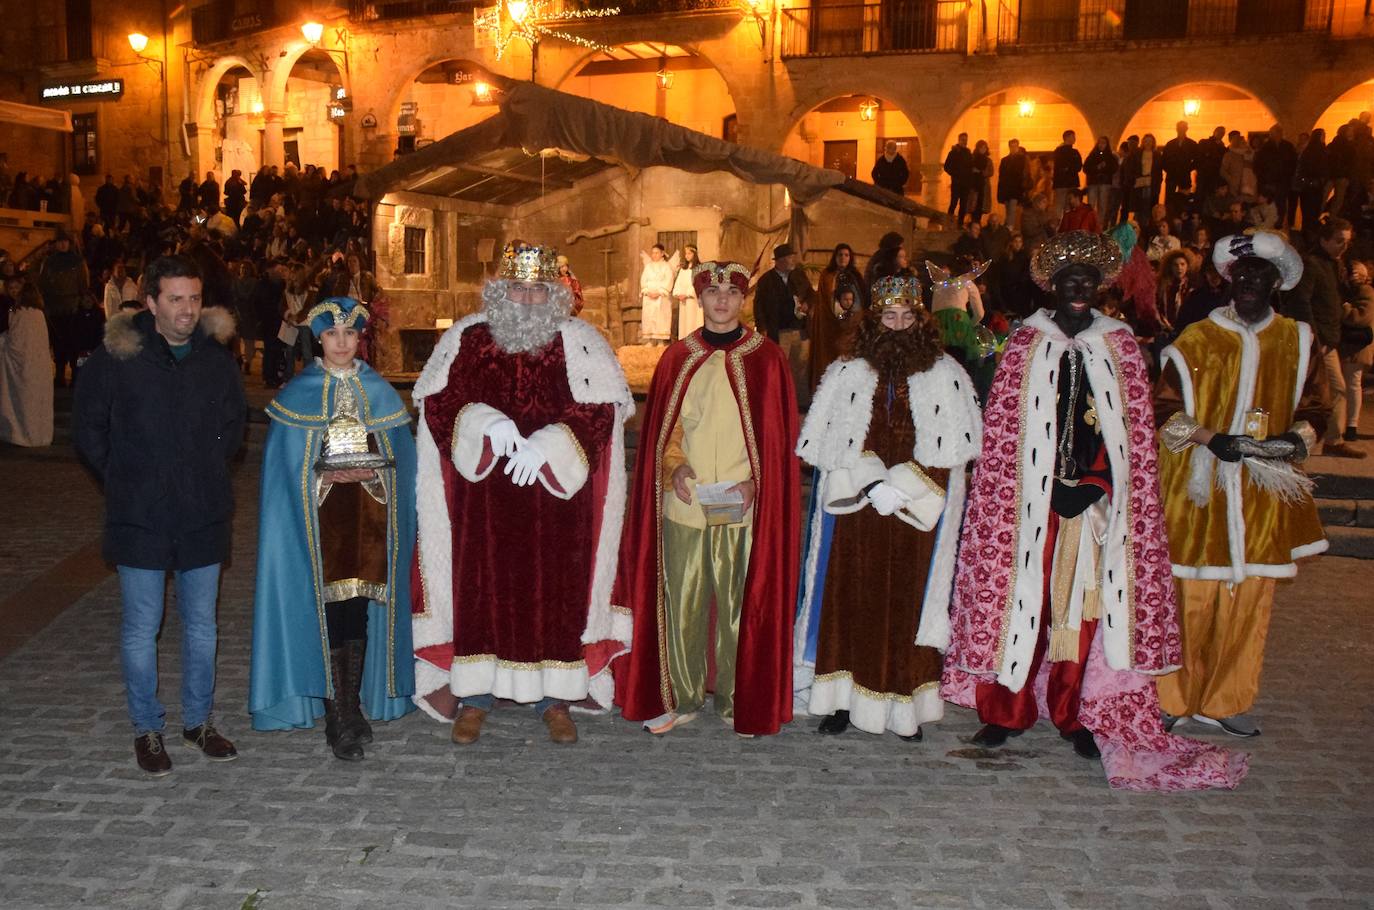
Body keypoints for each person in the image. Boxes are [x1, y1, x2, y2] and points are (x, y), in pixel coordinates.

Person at [940, 231, 1247, 790]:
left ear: (1100, 286)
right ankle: (1004, 712)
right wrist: (1031, 487)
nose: (1077, 288)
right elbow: (1006, 430)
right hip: (1026, 508)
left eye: (1087, 280)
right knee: (1018, 603)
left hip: (1093, 507)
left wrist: (1096, 483)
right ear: (1051, 286)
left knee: (1080, 617)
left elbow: (1130, 431)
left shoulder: (1121, 345)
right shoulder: (1025, 343)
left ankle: (1075, 714)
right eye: (1067, 280)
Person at [411, 242, 633, 745]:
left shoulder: (580, 342)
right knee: (481, 589)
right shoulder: (469, 340)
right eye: (519, 287)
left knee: (556, 591)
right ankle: (475, 697)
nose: (529, 299)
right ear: (500, 291)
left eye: (539, 289)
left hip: (558, 497)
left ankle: (556, 698)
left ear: (554, 294)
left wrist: (551, 445)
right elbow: (441, 402)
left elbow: (601, 412)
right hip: (485, 495)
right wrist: (485, 425)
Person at [73, 255, 246, 776]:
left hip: (202, 512)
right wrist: (123, 478)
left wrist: (208, 471)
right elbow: (88, 427)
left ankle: (199, 723)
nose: (187, 310)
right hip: (139, 515)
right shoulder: (118, 356)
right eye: (175, 299)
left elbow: (234, 426)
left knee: (202, 626)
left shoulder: (215, 358)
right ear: (150, 303)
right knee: (141, 627)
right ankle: (147, 728)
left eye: (194, 298)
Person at [615, 260, 800, 737]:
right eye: (714, 293)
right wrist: (674, 467)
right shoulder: (678, 358)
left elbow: (776, 444)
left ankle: (741, 700)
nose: (722, 301)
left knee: (742, 605)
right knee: (682, 602)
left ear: (743, 300)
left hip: (742, 503)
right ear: (700, 299)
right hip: (688, 500)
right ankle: (681, 696)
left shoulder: (769, 360)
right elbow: (664, 431)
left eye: (732, 293)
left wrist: (757, 484)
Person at [1155, 231, 1327, 737]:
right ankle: (1174, 697)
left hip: (1263, 493)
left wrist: (1291, 442)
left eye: (1261, 275)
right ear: (1229, 279)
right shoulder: (1196, 341)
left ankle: (1227, 700)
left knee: (1250, 600)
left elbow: (1316, 410)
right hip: (1198, 491)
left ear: (1277, 282)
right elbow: (1162, 411)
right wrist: (1209, 439)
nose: (1250, 282)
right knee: (1191, 596)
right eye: (1242, 274)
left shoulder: (1297, 340)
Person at [794, 275, 981, 739]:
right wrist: (872, 483)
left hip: (918, 513)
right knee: (849, 598)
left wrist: (905, 487)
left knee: (906, 603)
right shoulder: (846, 372)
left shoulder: (946, 374)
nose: (897, 327)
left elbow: (955, 452)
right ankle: (841, 701)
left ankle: (903, 706)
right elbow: (830, 444)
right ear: (873, 321)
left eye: (906, 316)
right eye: (888, 317)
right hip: (856, 509)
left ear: (921, 320)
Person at [249, 297, 416, 760]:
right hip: (316, 524)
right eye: (332, 335)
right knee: (325, 612)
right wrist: (322, 475)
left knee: (358, 607)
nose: (342, 343)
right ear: (318, 338)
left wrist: (376, 472)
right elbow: (286, 469)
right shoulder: (298, 392)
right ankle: (336, 713)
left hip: (367, 517)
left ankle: (351, 703)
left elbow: (400, 460)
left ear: (360, 339)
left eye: (350, 335)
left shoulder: (377, 389)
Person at [1287, 218, 1365, 458]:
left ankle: (1328, 439)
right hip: (1318, 341)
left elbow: (1334, 299)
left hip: (1328, 339)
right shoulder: (1312, 264)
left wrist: (1356, 282)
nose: (1343, 246)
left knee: (1319, 392)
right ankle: (1331, 440)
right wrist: (1313, 337)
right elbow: (1301, 301)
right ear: (1324, 240)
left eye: (1347, 242)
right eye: (1339, 241)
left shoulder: (1333, 264)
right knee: (1334, 390)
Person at [753, 242, 814, 403]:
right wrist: (763, 328)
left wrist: (807, 304)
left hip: (800, 330)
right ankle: (778, 401)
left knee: (801, 367)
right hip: (779, 331)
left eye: (793, 258)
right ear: (780, 261)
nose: (793, 261)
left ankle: (799, 401)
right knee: (780, 368)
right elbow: (759, 305)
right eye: (789, 258)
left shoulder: (799, 275)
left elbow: (810, 294)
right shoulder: (767, 280)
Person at [0, 276, 54, 446]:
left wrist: (3, 340)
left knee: (24, 402)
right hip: (40, 366)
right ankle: (40, 435)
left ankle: (22, 434)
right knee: (38, 402)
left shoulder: (20, 313)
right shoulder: (39, 314)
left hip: (24, 367)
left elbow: (15, 341)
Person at [809, 243, 864, 390]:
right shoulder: (827, 276)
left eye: (846, 255)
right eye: (840, 255)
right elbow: (825, 300)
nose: (843, 258)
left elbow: (859, 299)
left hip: (851, 326)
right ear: (835, 257)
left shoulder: (855, 276)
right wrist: (838, 315)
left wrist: (853, 317)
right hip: (830, 325)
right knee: (829, 360)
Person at [37, 232, 89, 387]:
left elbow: (83, 284)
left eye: (65, 241)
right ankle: (59, 373)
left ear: (69, 243)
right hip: (54, 308)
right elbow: (43, 284)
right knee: (57, 342)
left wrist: (80, 302)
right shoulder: (49, 262)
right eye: (59, 242)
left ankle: (75, 373)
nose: (62, 245)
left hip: (72, 307)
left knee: (73, 342)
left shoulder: (78, 262)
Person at [1338, 259, 1374, 441]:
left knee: (1352, 385)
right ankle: (1344, 424)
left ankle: (1351, 425)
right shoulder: (1349, 290)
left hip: (1357, 347)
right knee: (1345, 385)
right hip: (1348, 345)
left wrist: (1344, 307)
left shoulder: (1365, 291)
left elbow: (1361, 318)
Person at [1254, 125, 1298, 227]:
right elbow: (1258, 166)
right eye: (1272, 133)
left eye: (1277, 133)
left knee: (1281, 205)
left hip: (1283, 183)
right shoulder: (1265, 148)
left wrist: (1288, 177)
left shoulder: (1287, 146)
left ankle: (1278, 225)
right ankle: (1267, 226)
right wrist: (1264, 180)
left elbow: (1293, 163)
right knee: (1268, 206)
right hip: (1268, 183)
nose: (1275, 135)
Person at [638, 243, 675, 344]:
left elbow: (668, 280)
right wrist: (647, 291)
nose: (654, 255)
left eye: (656, 253)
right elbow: (643, 280)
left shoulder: (666, 267)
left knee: (661, 317)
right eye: (653, 253)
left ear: (662, 253)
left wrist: (659, 292)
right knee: (649, 316)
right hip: (649, 297)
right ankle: (650, 340)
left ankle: (660, 341)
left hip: (661, 297)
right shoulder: (648, 267)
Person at [1162, 121, 1199, 214]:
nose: (1181, 130)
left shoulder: (1192, 144)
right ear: (1177, 129)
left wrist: (1188, 168)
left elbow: (1197, 159)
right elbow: (1164, 160)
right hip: (1172, 175)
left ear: (1186, 129)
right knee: (1169, 199)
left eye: (1183, 128)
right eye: (1180, 128)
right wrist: (1170, 169)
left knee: (1185, 199)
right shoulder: (1170, 144)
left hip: (1184, 175)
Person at [1084, 136, 1118, 228]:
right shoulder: (1092, 156)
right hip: (1093, 183)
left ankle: (1099, 225)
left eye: (1104, 143)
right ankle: (1089, 224)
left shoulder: (1110, 157)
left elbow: (1114, 168)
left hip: (1105, 183)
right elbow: (1086, 168)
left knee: (1102, 205)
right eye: (1100, 143)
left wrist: (1105, 168)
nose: (1101, 145)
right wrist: (1096, 168)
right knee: (1091, 205)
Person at [1051, 130, 1083, 222]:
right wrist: (1070, 168)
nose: (1074, 139)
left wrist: (1068, 168)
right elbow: (1062, 166)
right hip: (1063, 183)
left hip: (1068, 183)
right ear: (1067, 137)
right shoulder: (1060, 151)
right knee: (1060, 205)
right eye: (1073, 137)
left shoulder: (1073, 152)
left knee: (1068, 206)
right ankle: (1058, 225)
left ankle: (1066, 225)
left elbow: (1078, 166)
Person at [997, 139, 1029, 227]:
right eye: (1012, 146)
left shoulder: (1022, 159)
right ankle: (1008, 228)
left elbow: (1025, 174)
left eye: (1015, 146)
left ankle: (1009, 228)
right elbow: (1001, 176)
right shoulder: (1005, 160)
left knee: (1012, 210)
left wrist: (1024, 188)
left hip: (1016, 189)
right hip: (1007, 189)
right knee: (1008, 210)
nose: (1013, 148)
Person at [672, 244, 702, 338]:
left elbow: (698, 283)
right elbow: (679, 283)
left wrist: (688, 294)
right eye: (686, 253)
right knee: (684, 322)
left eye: (689, 253)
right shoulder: (683, 269)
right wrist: (678, 294)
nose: (687, 256)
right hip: (683, 300)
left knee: (692, 321)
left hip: (693, 300)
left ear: (694, 254)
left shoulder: (699, 268)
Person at [944, 133, 973, 222]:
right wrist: (955, 174)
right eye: (963, 140)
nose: (965, 142)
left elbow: (970, 166)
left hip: (966, 183)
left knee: (963, 204)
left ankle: (960, 223)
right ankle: (948, 222)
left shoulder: (968, 152)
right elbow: (946, 166)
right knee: (953, 203)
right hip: (956, 183)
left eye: (966, 140)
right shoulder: (953, 152)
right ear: (959, 140)